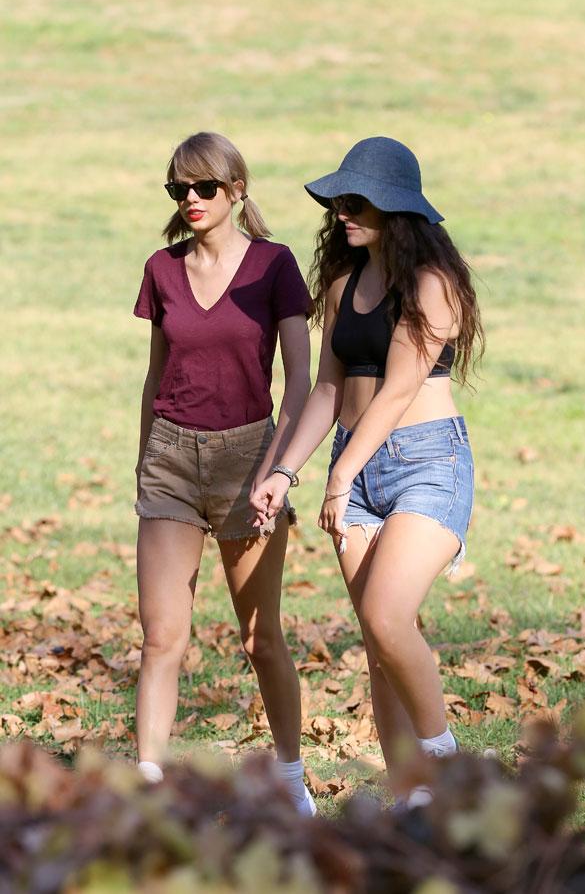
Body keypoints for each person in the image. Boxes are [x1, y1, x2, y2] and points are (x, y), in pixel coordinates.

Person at [250, 136, 484, 808]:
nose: (342, 211)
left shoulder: (433, 285)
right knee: (380, 643)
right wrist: (286, 471)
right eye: (339, 201)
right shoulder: (344, 284)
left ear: (396, 209)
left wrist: (339, 475)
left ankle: (446, 764)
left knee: (387, 616)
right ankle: (413, 796)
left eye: (358, 202)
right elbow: (327, 390)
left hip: (425, 465)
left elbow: (400, 386)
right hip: (353, 466)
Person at [133, 131, 316, 815]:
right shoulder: (161, 267)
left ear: (237, 190)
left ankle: (294, 779)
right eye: (178, 187)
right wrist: (145, 460)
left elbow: (299, 380)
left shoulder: (274, 266)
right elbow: (154, 378)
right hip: (171, 463)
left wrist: (281, 469)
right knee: (161, 638)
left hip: (250, 460)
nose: (190, 199)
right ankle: (147, 788)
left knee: (260, 637)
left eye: (204, 187)